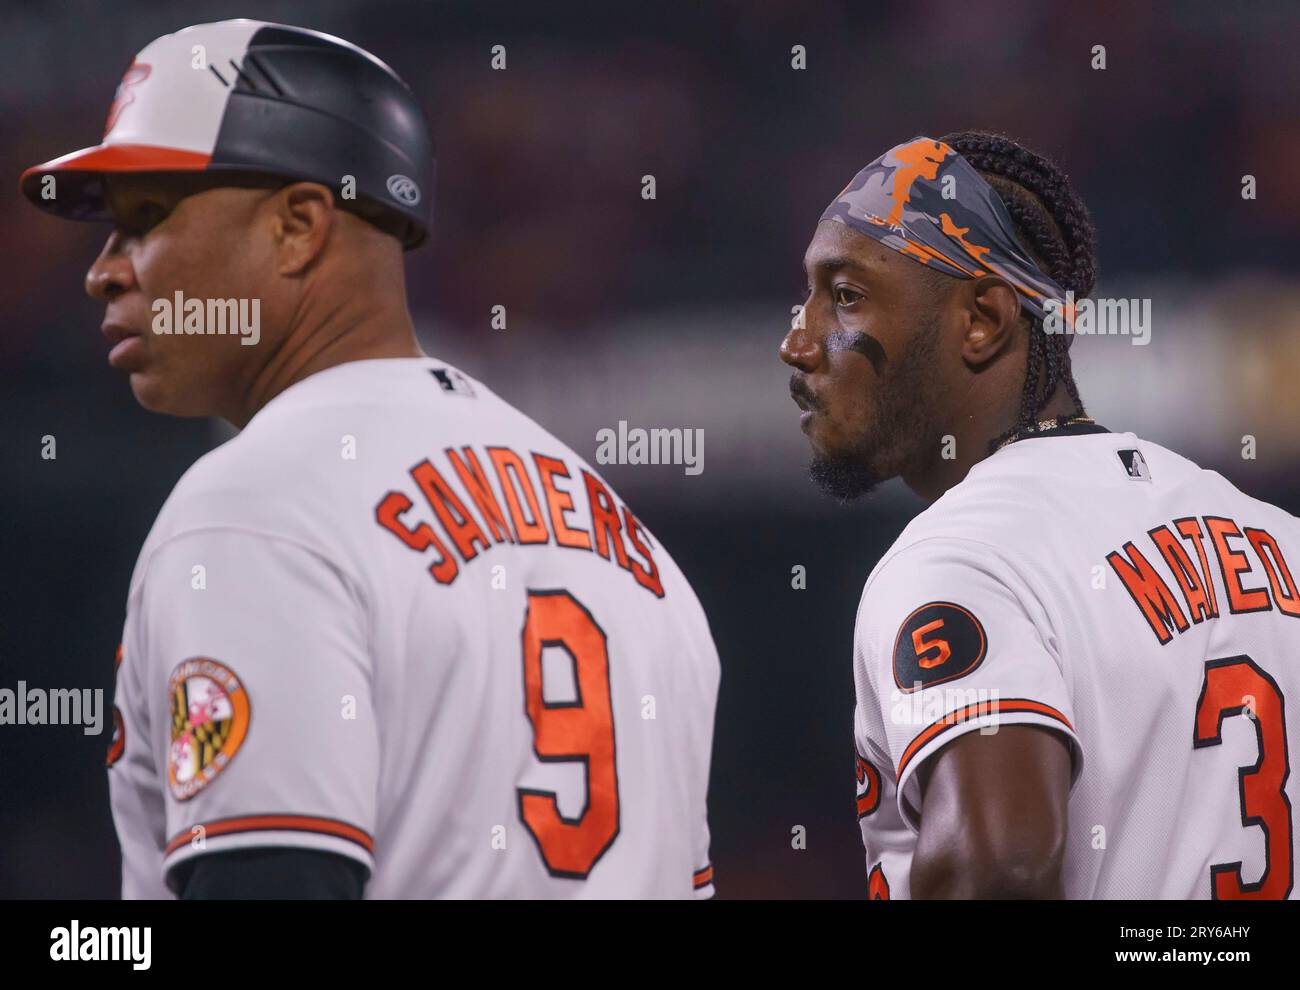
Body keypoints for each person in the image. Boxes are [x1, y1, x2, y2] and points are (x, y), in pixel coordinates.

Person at [23, 19, 719, 899]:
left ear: (299, 226)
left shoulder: (256, 507)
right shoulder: (635, 550)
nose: (104, 271)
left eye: (146, 218)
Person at [780, 131, 1300, 899]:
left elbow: (997, 864)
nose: (798, 340)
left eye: (846, 296)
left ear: (984, 319)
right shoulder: (1276, 540)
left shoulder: (960, 557)